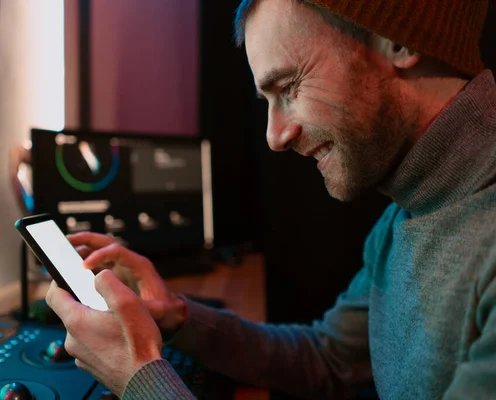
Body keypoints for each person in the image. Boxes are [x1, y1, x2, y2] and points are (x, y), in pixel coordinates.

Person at [42, 0, 496, 398]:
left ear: (398, 38)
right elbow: (330, 359)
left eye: (290, 88)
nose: (275, 137)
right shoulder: (409, 207)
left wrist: (141, 376)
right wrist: (177, 317)